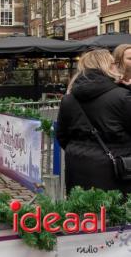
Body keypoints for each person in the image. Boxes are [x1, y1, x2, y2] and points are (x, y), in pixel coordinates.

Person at [56, 49, 131, 196]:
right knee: (115, 214)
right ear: (107, 66)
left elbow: (62, 135)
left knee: (83, 212)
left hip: (77, 164)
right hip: (116, 168)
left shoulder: (69, 98)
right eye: (113, 63)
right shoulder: (122, 96)